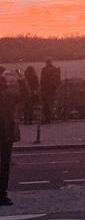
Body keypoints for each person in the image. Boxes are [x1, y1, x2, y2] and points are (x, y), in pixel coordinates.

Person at [1, 69, 21, 207]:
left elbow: (25, 97)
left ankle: (2, 193)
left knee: (4, 166)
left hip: (7, 133)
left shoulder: (9, 94)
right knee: (4, 166)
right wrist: (21, 80)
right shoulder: (8, 94)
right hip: (6, 133)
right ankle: (2, 194)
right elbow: (26, 96)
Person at [39, 59, 60, 124]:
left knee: (45, 104)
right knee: (51, 103)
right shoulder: (55, 69)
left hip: (45, 89)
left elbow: (42, 80)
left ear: (46, 63)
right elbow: (58, 80)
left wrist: (41, 89)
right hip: (53, 89)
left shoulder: (44, 69)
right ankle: (51, 117)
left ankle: (47, 118)